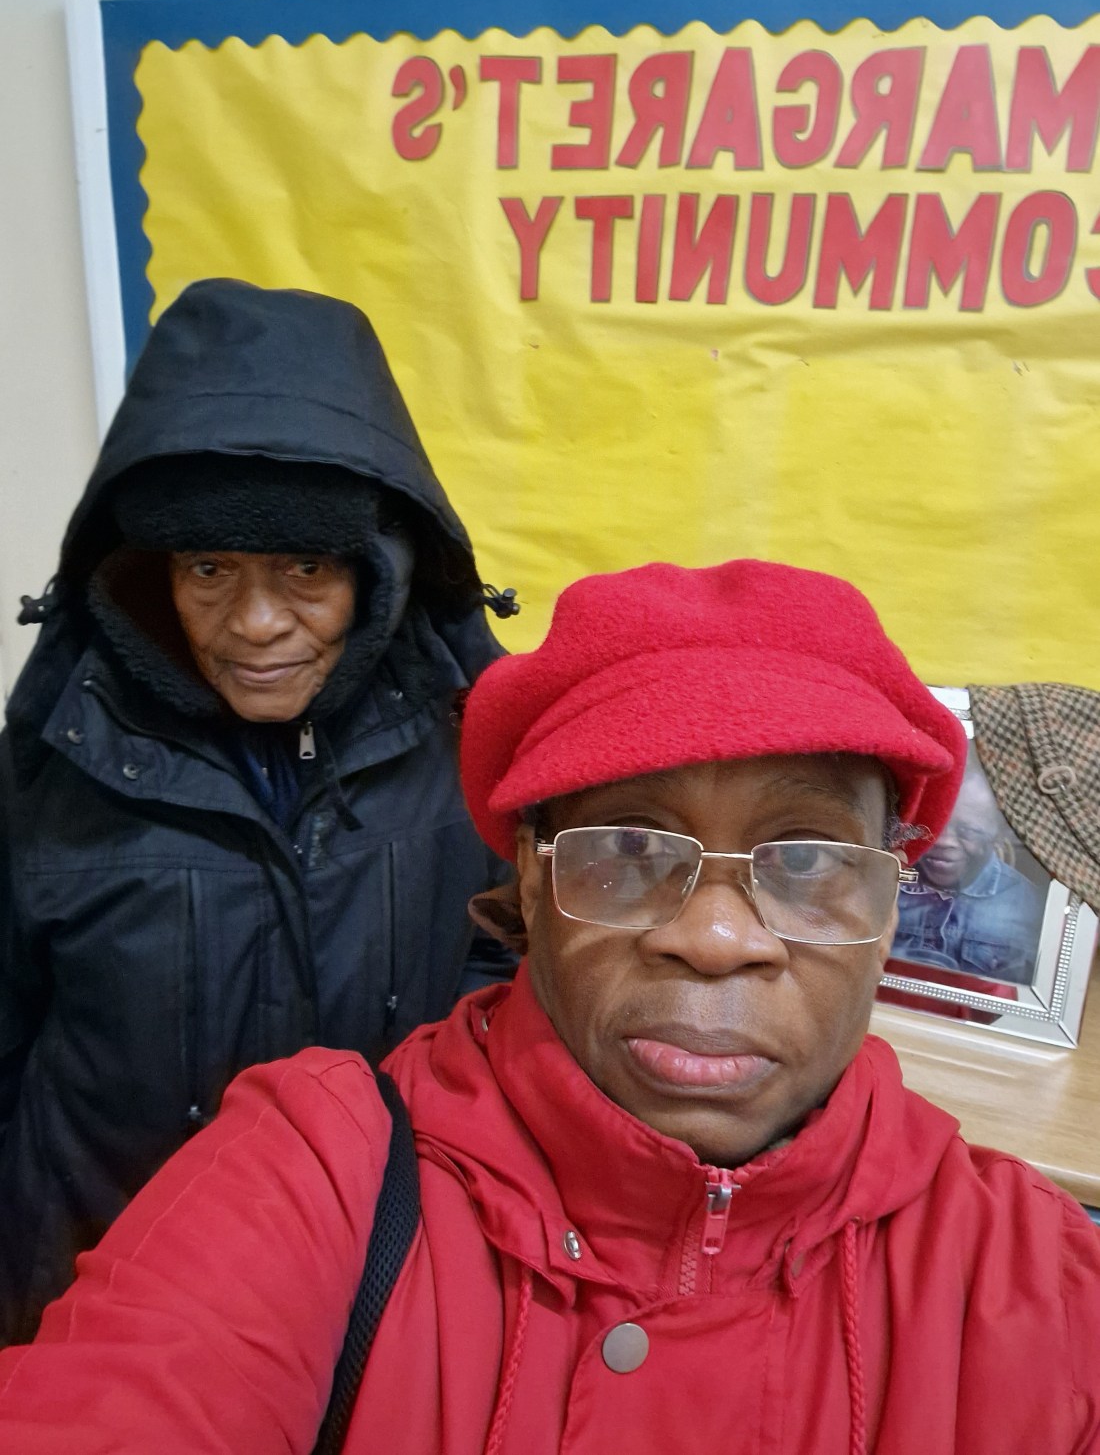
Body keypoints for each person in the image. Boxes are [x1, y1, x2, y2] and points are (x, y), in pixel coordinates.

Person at [1, 558, 1097, 1454]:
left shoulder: (1031, 1276)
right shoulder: (315, 1172)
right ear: (529, 878)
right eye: (630, 848)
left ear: (891, 898)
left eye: (805, 857)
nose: (716, 937)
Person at [0, 279, 517, 1345]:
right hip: (99, 1310)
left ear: (376, 569)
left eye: (305, 569)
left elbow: (505, 975)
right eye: (208, 569)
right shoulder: (51, 767)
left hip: (382, 1290)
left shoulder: (464, 743)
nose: (257, 622)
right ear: (148, 571)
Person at [891, 761, 1043, 983]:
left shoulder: (1028, 909)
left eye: (968, 832)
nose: (943, 841)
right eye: (933, 826)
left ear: (999, 834)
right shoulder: (887, 880)